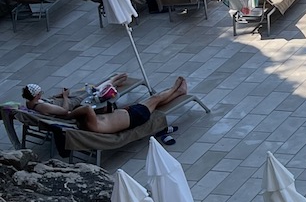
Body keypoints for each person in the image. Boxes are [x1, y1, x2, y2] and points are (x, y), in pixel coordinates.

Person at [23, 75, 190, 135]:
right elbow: (87, 108)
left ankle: (178, 92)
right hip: (135, 116)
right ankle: (175, 88)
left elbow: (90, 112)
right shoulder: (91, 123)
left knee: (156, 103)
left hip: (130, 115)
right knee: (156, 98)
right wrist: (69, 114)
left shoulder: (88, 124)